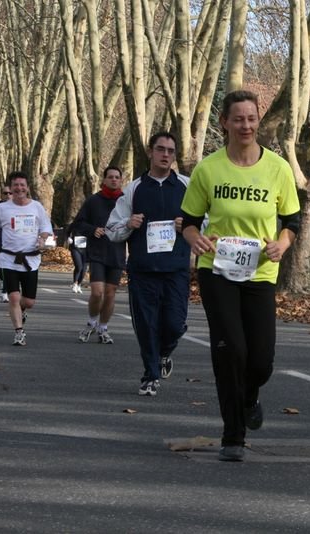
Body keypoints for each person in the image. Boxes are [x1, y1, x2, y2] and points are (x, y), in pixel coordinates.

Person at [181, 90, 301, 462]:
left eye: (251, 118)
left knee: (261, 359)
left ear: (258, 121)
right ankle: (232, 436)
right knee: (230, 350)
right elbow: (188, 222)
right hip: (217, 270)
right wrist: (196, 239)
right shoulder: (209, 168)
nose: (245, 125)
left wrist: (282, 244)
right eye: (238, 119)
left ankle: (250, 397)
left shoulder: (278, 168)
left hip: (261, 272)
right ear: (224, 123)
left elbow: (291, 222)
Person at [106, 132, 190, 397]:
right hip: (143, 269)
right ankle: (150, 375)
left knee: (175, 324)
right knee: (146, 325)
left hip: (176, 268)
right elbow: (112, 229)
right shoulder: (133, 189)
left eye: (171, 151)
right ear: (150, 152)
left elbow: (208, 221)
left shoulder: (187, 186)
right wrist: (129, 225)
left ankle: (164, 353)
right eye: (160, 149)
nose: (166, 155)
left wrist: (188, 225)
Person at [0, 171, 54, 346]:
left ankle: (21, 310)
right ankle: (19, 332)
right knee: (14, 298)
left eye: (22, 185)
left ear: (27, 188)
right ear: (11, 188)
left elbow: (46, 227)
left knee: (29, 301)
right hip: (8, 259)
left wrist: (42, 238)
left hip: (30, 259)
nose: (19, 188)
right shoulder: (2, 208)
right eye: (15, 185)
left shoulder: (37, 207)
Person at [73, 166, 127, 344]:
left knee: (110, 294)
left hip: (117, 253)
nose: (113, 180)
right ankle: (91, 322)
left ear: (121, 180)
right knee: (97, 293)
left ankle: (103, 328)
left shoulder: (125, 201)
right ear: (103, 180)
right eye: (110, 177)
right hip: (97, 253)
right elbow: (78, 223)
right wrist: (92, 229)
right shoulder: (93, 201)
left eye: (117, 177)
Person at [66, 220, 88, 294]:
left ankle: (79, 284)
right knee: (79, 266)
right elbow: (67, 232)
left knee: (84, 269)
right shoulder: (75, 224)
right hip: (75, 247)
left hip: (86, 249)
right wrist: (68, 238)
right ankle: (75, 284)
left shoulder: (91, 224)